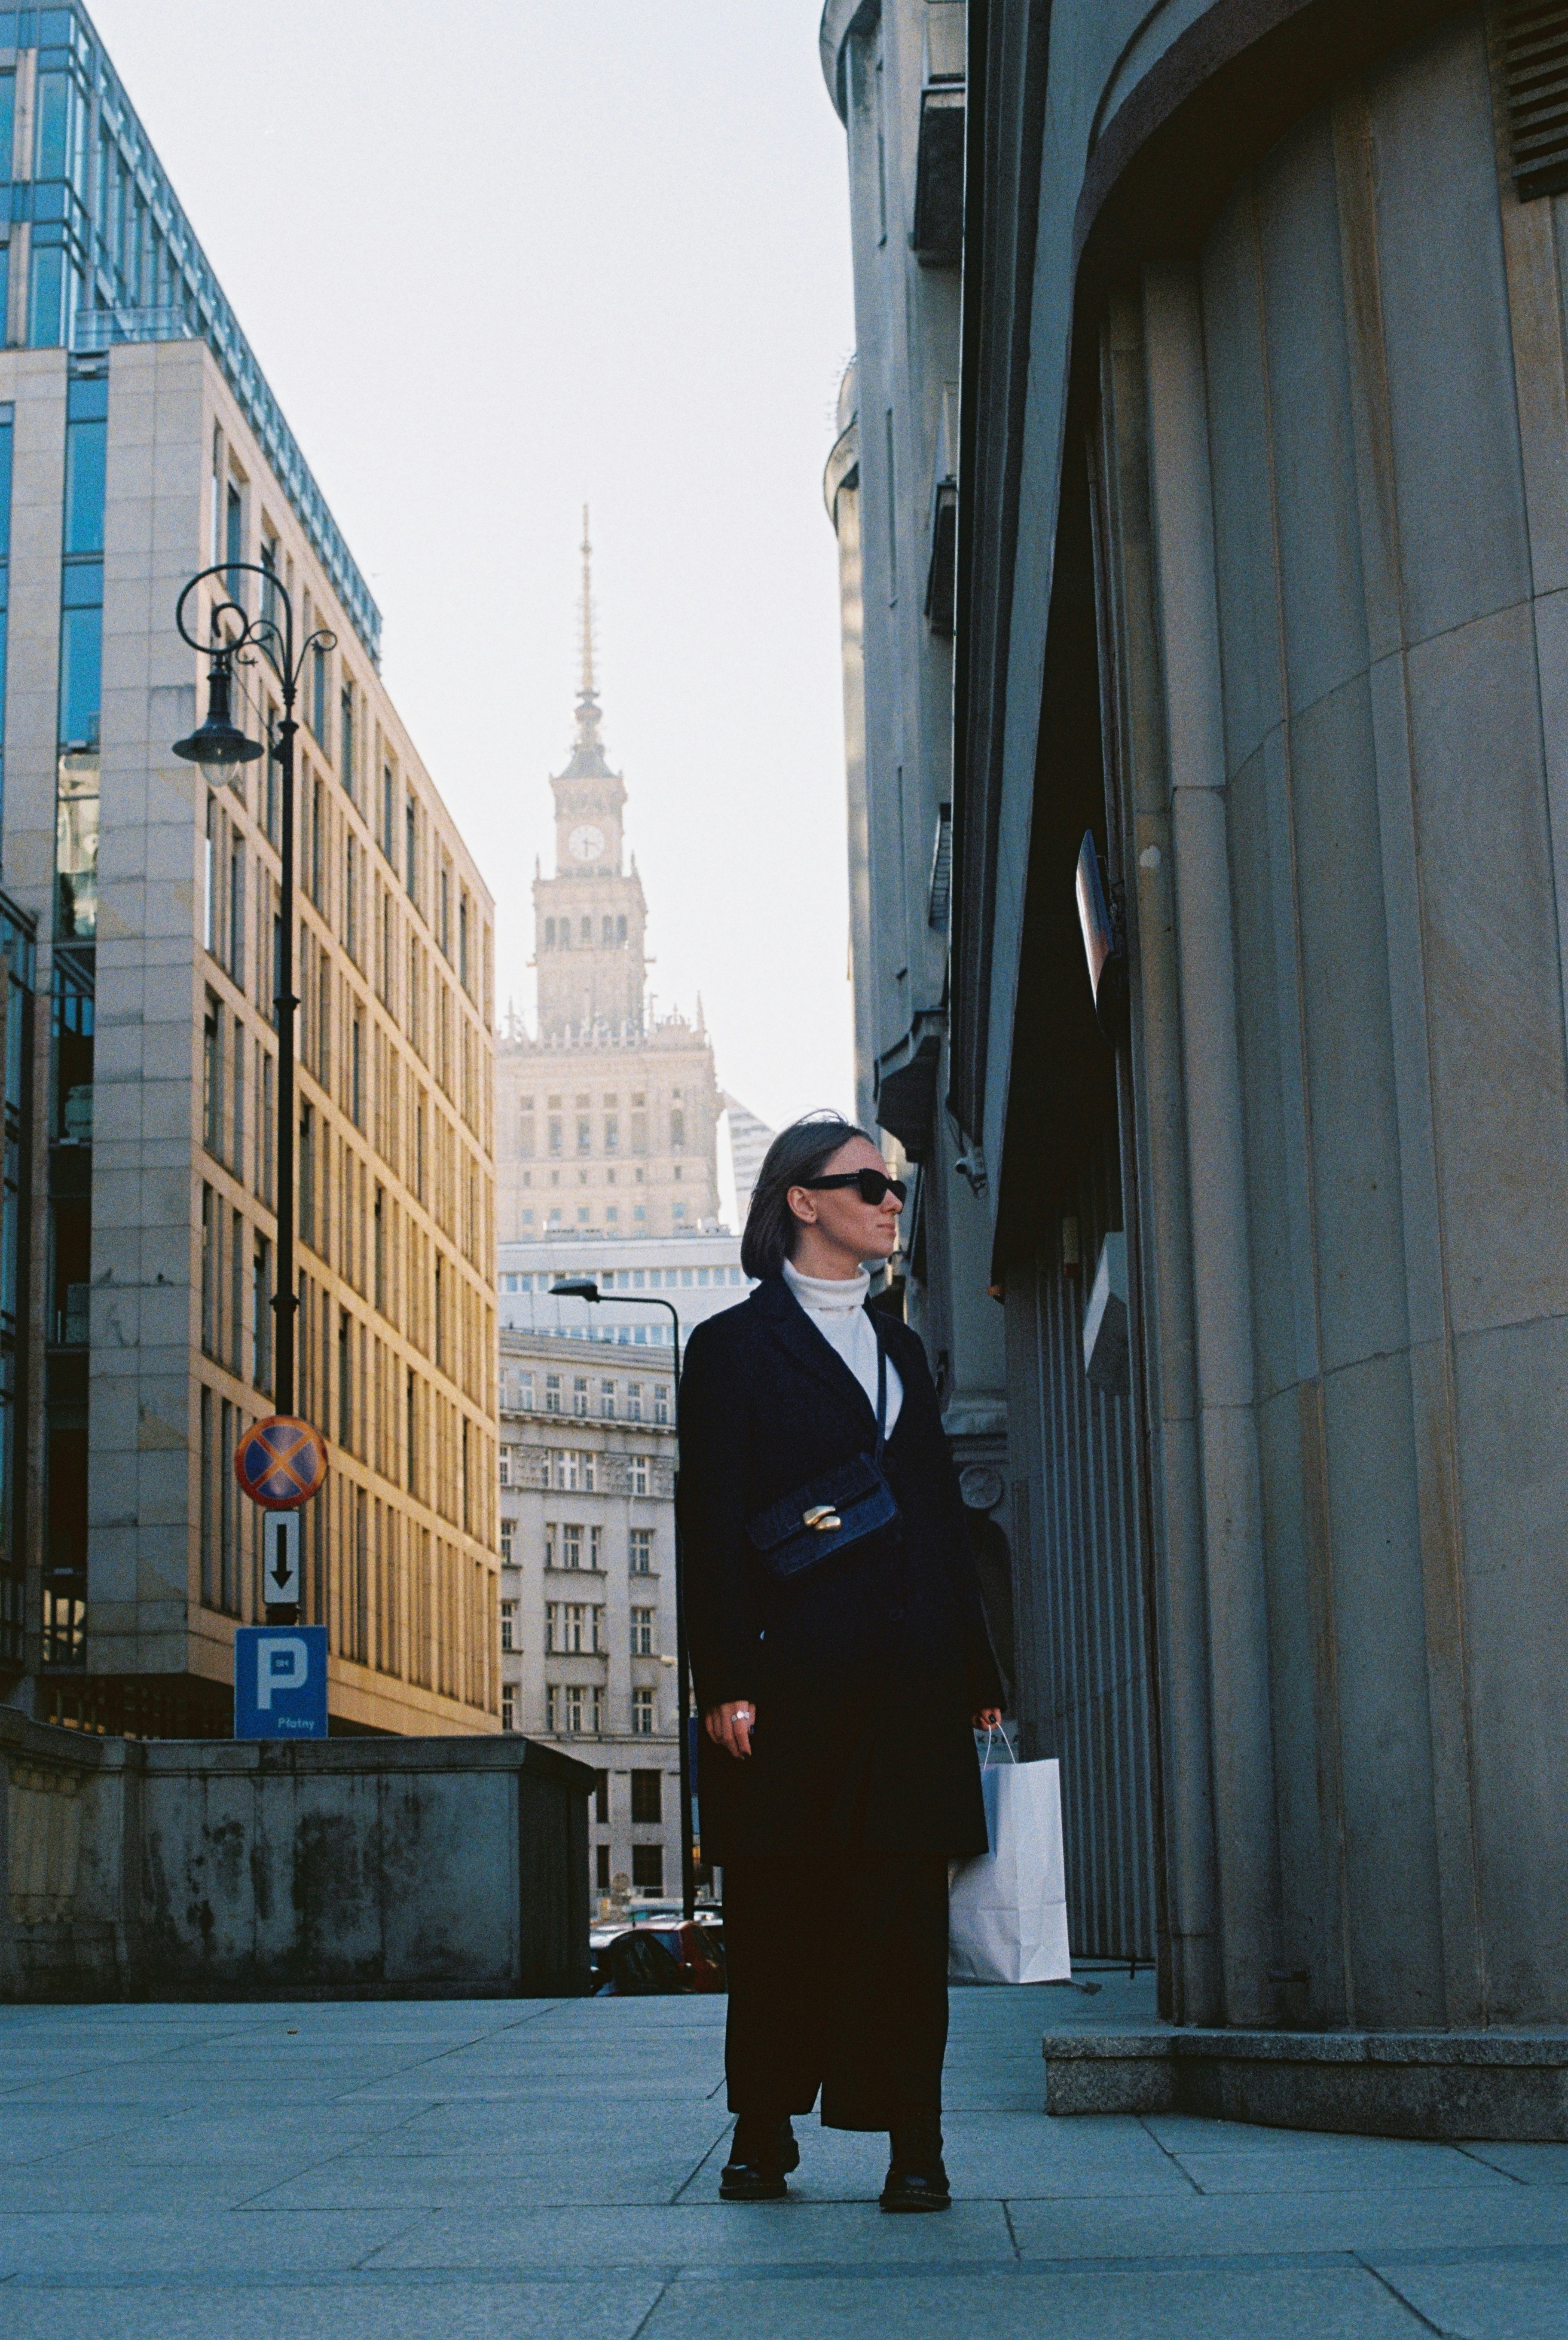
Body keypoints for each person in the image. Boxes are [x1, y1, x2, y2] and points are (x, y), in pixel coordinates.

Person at [677, 1114, 1004, 2211]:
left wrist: (979, 1679)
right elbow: (710, 1523)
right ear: (801, 1202)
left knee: (906, 1929)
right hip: (789, 1686)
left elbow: (937, 1524)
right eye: (865, 1182)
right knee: (780, 1916)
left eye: (894, 1181)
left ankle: (916, 2142)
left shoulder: (900, 1344)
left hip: (910, 1686)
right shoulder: (729, 1349)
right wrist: (721, 1678)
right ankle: (762, 2131)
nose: (889, 1198)